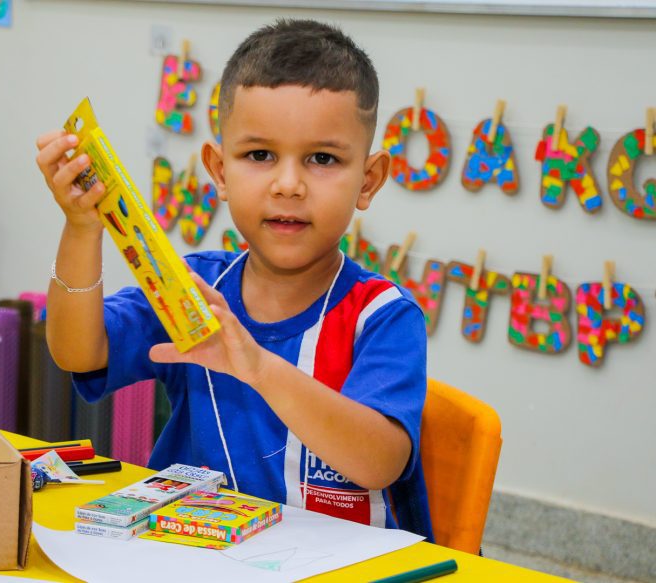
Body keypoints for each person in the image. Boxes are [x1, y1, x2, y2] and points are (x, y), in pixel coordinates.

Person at [35, 18, 432, 538]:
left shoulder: (381, 316)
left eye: (323, 159)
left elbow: (380, 461)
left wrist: (259, 366)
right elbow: (77, 351)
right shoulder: (195, 289)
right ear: (220, 172)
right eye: (260, 155)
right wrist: (83, 227)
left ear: (370, 179)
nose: (288, 185)